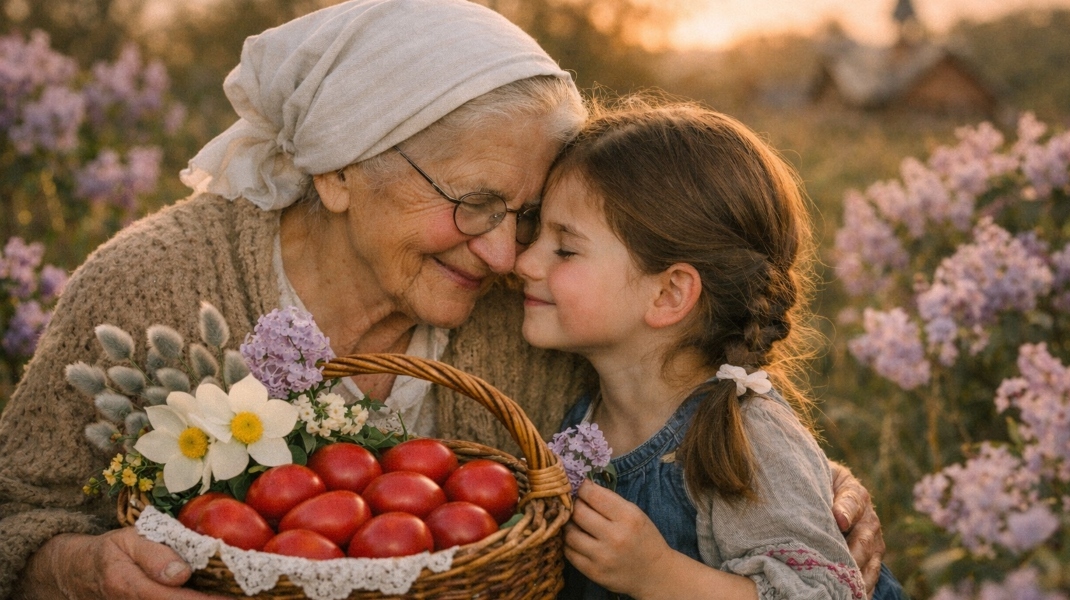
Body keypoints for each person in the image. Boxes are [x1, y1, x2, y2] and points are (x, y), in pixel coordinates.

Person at [0, 1, 885, 599]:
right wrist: (77, 567)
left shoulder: (530, 307)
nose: (507, 253)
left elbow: (676, 386)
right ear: (341, 170)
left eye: (532, 217)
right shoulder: (147, 288)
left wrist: (814, 488)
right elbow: (16, 512)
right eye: (472, 204)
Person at [515, 99, 907, 599]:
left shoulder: (747, 439)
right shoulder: (580, 423)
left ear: (670, 294)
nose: (525, 262)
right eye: (536, 233)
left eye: (565, 249)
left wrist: (660, 576)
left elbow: (825, 590)